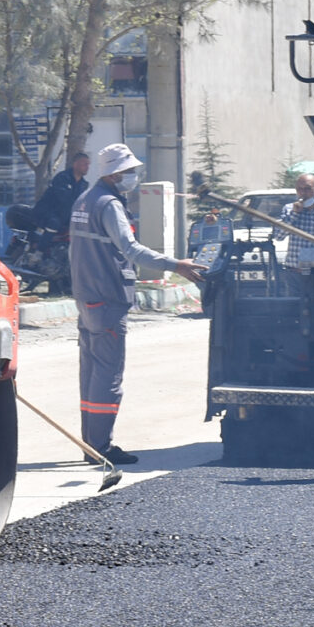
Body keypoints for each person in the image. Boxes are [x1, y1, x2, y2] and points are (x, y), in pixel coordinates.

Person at [68, 142, 205, 464]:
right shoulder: (109, 205)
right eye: (130, 172)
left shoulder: (84, 200)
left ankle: (91, 444)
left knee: (90, 375)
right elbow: (131, 249)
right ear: (116, 174)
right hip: (107, 299)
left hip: (87, 298)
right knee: (108, 378)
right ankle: (100, 448)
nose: (134, 177)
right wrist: (176, 265)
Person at [29, 151, 92, 234]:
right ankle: (42, 247)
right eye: (84, 164)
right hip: (48, 212)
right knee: (54, 223)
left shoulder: (84, 184)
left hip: (66, 216)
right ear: (75, 164)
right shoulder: (62, 177)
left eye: (88, 164)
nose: (87, 167)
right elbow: (64, 199)